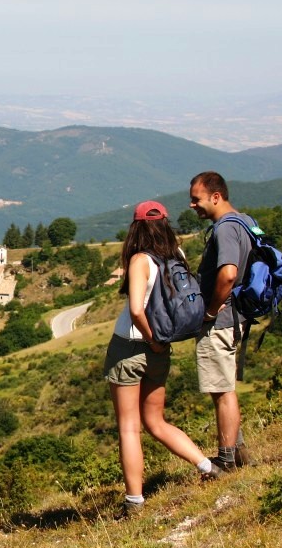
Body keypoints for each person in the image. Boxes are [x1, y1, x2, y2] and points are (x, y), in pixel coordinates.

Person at [105, 200, 220, 517]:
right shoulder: (177, 255)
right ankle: (208, 467)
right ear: (166, 224)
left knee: (129, 428)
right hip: (161, 351)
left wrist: (150, 338)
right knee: (156, 421)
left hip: (130, 347)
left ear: (136, 227)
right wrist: (159, 342)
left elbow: (137, 309)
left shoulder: (140, 260)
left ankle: (134, 502)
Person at [188, 171, 253, 471]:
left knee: (222, 391)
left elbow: (228, 273)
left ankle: (226, 459)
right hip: (237, 316)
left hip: (222, 320)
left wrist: (211, 311)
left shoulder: (225, 230)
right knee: (223, 386)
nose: (192, 205)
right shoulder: (246, 221)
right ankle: (238, 452)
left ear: (216, 197)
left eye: (196, 199)